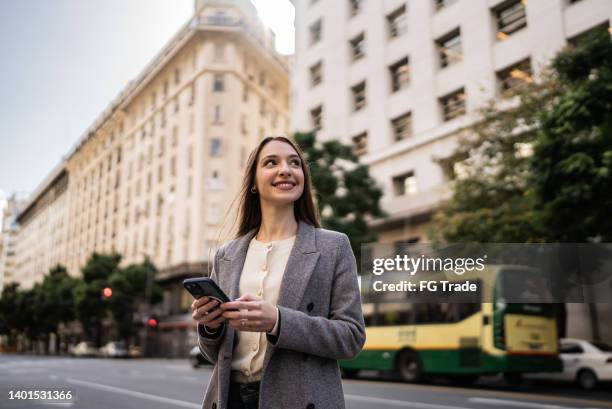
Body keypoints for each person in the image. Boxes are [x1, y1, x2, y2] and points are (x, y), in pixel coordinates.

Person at [191, 136, 365, 409]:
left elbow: (351, 337)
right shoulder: (227, 255)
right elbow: (214, 354)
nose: (286, 169)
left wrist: (278, 321)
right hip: (229, 400)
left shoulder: (334, 247)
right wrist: (210, 327)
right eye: (271, 162)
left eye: (295, 163)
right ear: (253, 182)